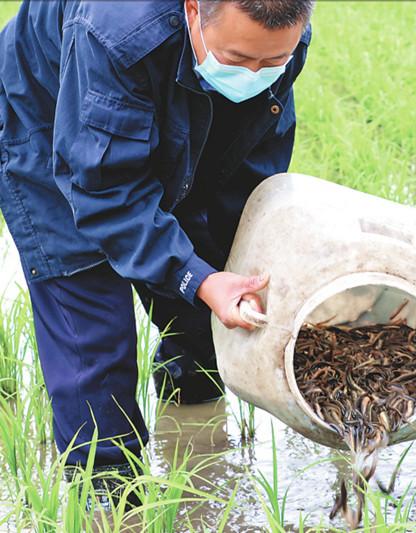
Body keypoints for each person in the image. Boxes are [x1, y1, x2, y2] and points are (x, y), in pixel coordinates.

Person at [0, 0, 312, 503]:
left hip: (177, 87)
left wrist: (231, 265)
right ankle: (110, 495)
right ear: (194, 9)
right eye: (237, 59)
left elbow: (255, 155)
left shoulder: (276, 32)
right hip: (48, 118)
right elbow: (103, 192)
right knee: (93, 322)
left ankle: (190, 407)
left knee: (212, 274)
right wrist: (197, 277)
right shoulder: (115, 31)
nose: (255, 73)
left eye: (271, 63)